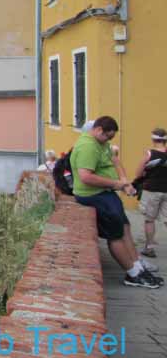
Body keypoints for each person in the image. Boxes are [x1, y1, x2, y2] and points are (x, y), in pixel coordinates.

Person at [71, 116, 162, 288]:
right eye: (108, 136)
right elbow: (85, 177)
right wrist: (116, 184)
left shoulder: (101, 143)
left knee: (125, 226)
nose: (109, 141)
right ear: (98, 130)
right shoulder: (87, 147)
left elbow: (115, 161)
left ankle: (137, 266)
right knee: (116, 235)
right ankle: (132, 274)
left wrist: (125, 183)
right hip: (93, 195)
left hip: (106, 193)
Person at [135, 128, 167, 258]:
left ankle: (149, 248)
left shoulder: (149, 154)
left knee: (149, 220)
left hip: (151, 190)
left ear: (153, 139)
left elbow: (139, 174)